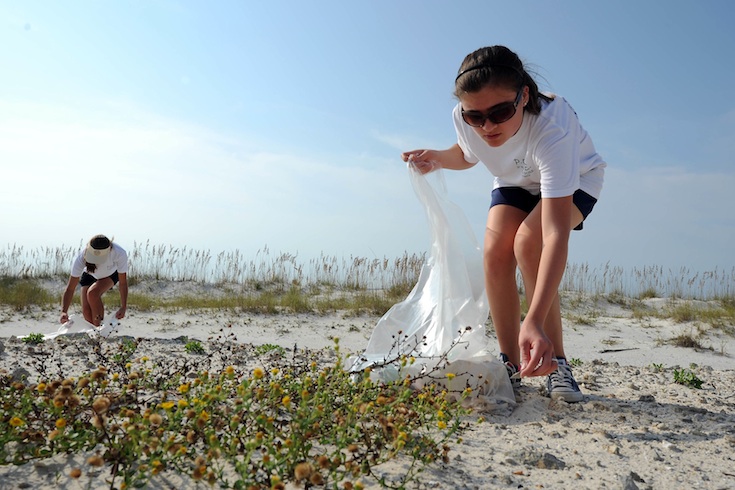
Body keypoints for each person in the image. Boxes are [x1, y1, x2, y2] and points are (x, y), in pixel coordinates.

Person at [402, 45, 606, 403]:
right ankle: (510, 364)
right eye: (475, 117)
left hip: (576, 181)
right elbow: (468, 154)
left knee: (529, 243)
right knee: (495, 254)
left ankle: (556, 362)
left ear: (524, 96)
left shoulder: (551, 129)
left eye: (499, 112)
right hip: (514, 182)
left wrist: (536, 318)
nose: (487, 126)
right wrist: (437, 158)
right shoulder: (466, 117)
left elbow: (556, 233)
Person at [60, 234, 129, 327]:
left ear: (109, 250)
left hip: (111, 274)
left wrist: (123, 307)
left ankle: (99, 330)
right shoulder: (81, 257)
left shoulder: (119, 253)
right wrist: (64, 312)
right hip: (89, 274)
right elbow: (70, 288)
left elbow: (123, 283)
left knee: (93, 293)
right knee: (86, 311)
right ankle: (93, 331)